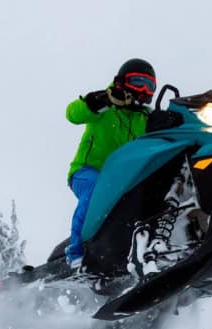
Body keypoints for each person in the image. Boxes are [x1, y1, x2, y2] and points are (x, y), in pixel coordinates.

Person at [64, 58, 156, 269]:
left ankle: (140, 252)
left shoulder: (146, 118)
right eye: (137, 82)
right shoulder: (105, 106)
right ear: (121, 81)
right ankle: (76, 253)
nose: (142, 90)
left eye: (148, 85)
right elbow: (72, 114)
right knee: (97, 190)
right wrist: (99, 101)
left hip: (122, 181)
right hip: (87, 172)